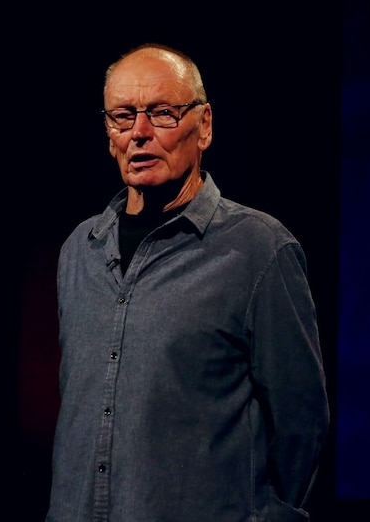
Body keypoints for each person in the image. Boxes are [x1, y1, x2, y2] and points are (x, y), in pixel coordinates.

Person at [46, 43, 330, 522]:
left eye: (162, 113)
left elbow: (301, 423)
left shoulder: (257, 249)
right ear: (108, 131)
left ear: (205, 126)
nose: (139, 133)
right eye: (122, 116)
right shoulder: (80, 250)